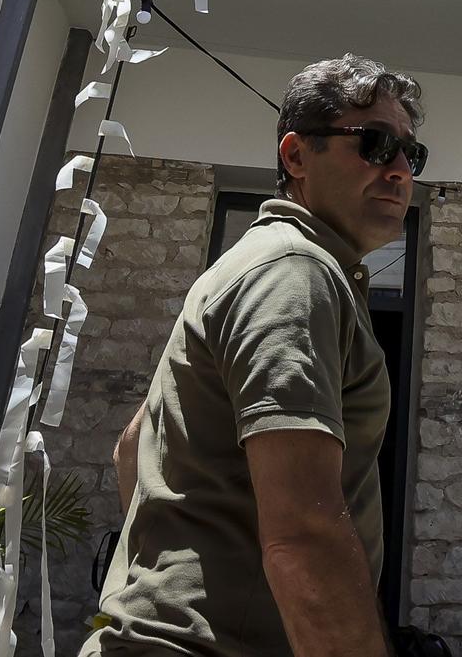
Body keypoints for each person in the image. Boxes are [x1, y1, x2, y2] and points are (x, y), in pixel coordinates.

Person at [82, 55, 427, 657]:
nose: (399, 170)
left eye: (410, 154)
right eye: (374, 143)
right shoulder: (295, 272)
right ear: (296, 156)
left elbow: (134, 446)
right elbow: (306, 534)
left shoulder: (283, 264)